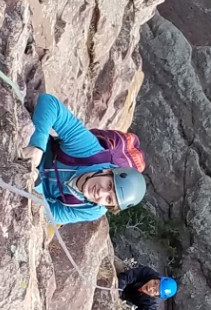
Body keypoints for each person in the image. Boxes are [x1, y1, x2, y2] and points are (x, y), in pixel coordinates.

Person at [23, 92, 147, 225]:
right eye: (109, 185)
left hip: (34, 185)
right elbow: (50, 103)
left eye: (109, 199)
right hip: (32, 149)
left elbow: (52, 216)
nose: (101, 193)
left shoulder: (92, 211)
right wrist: (37, 146)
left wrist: (36, 184)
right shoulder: (89, 151)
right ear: (108, 171)